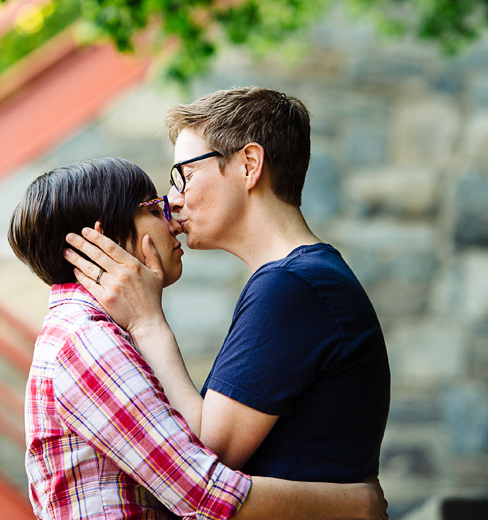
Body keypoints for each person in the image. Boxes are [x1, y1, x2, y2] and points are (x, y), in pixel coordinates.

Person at [9, 157, 386, 520]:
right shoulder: (87, 341)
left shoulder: (91, 332)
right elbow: (203, 494)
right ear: (102, 236)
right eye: (153, 210)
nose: (171, 222)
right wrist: (354, 505)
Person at [64, 87, 390, 482]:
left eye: (184, 174)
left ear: (250, 165)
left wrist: (147, 321)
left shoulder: (293, 286)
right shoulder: (300, 279)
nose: (173, 200)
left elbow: (204, 461)